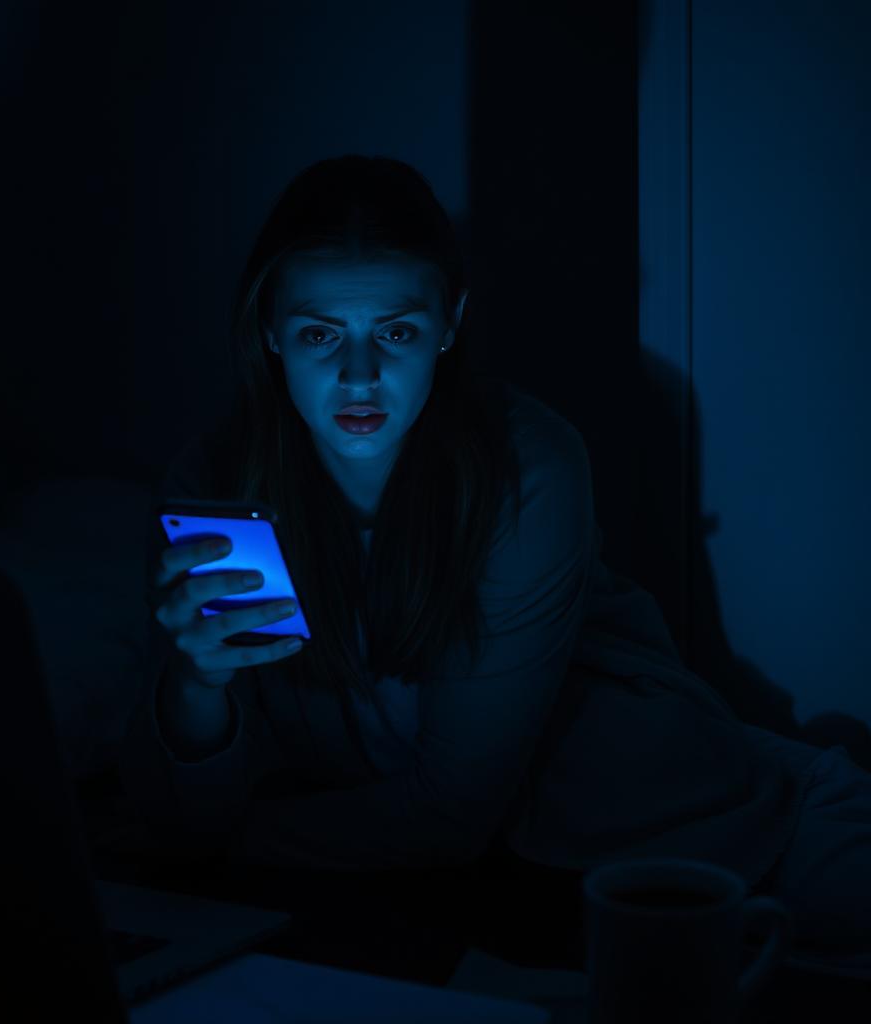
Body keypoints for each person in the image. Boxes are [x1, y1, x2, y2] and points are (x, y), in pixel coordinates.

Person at [118, 154, 871, 981]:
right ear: (270, 331)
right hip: (502, 909)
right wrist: (194, 688)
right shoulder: (216, 484)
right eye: (320, 333)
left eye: (396, 332)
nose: (359, 375)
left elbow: (445, 816)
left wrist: (217, 842)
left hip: (718, 837)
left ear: (449, 323)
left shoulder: (527, 466)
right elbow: (181, 819)